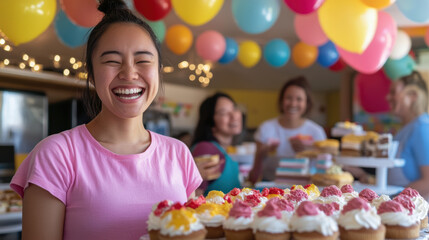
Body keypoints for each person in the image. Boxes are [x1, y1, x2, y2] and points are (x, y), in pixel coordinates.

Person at [9, 1, 202, 239]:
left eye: (143, 60)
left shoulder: (179, 154)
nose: (129, 73)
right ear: (91, 73)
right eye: (112, 60)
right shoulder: (57, 154)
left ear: (158, 70)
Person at [248, 76, 326, 184]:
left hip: (306, 190)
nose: (293, 104)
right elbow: (253, 178)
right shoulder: (266, 128)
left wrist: (309, 151)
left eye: (299, 99)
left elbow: (324, 173)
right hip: (270, 191)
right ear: (281, 100)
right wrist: (262, 153)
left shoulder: (316, 132)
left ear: (307, 103)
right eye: (289, 98)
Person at [386, 71, 429, 199]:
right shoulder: (407, 128)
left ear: (413, 96)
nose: (387, 97)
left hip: (415, 213)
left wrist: (392, 198)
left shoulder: (422, 128)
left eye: (393, 92)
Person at [191, 92, 242, 195]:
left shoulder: (222, 149)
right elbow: (194, 199)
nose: (234, 116)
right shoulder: (206, 149)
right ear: (211, 123)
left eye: (234, 109)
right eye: (224, 113)